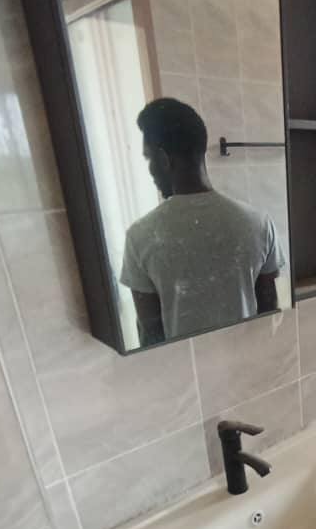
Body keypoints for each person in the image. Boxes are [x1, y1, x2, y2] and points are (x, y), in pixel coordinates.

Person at [120, 98, 285, 346]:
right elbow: (269, 310)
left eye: (149, 158)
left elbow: (149, 331)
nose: (150, 170)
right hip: (248, 358)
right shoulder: (258, 223)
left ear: (164, 159)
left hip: (185, 366)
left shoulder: (140, 236)